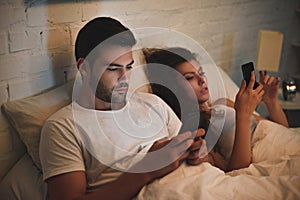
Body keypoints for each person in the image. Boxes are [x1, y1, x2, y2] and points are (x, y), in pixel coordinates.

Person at [39, 17, 206, 200]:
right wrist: (147, 169)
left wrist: (197, 153)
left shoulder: (153, 103)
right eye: (113, 69)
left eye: (129, 67)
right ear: (84, 68)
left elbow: (201, 159)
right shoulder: (63, 127)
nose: (125, 78)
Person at [144, 47, 289, 172]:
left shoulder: (223, 102)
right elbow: (237, 171)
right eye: (190, 78)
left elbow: (282, 129)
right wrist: (243, 116)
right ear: (172, 88)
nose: (202, 80)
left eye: (201, 72)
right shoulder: (195, 131)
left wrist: (271, 102)